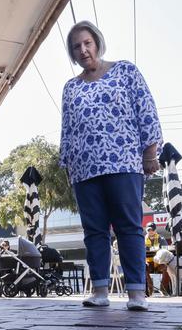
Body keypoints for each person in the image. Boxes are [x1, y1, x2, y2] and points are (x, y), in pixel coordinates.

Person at [60, 21, 163, 311]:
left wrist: (150, 154)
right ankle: (100, 290)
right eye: (76, 46)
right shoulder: (70, 88)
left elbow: (146, 111)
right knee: (94, 231)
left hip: (124, 162)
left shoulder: (126, 71)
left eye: (87, 43)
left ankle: (136, 294)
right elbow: (67, 130)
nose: (83, 50)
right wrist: (68, 166)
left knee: (129, 227)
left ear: (97, 43)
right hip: (84, 169)